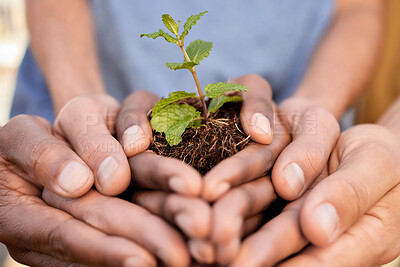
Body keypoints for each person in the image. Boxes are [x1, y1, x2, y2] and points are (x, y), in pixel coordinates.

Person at [0, 0, 387, 266]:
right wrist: (81, 113)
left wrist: (316, 108)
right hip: (82, 96)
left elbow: (358, 6)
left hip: (290, 110)